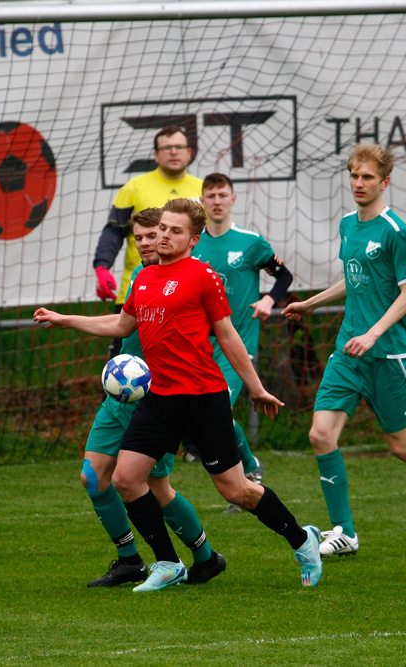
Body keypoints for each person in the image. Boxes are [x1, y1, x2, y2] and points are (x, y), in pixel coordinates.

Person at [37, 198, 323, 590]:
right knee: (125, 478)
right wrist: (66, 319)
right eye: (163, 228)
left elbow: (227, 335)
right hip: (159, 400)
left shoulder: (203, 277)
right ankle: (168, 562)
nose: (164, 236)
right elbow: (122, 325)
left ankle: (301, 539)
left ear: (193, 238)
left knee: (236, 490)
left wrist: (256, 388)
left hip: (203, 398)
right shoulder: (144, 277)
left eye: (174, 230)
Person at [282, 144, 406, 558]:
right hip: (348, 351)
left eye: (367, 177)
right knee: (321, 435)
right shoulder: (348, 226)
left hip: (390, 354)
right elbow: (354, 280)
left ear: (384, 182)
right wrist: (310, 303)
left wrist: (373, 335)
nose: (359, 183)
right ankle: (345, 532)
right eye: (354, 175)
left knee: (402, 446)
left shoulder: (396, 232)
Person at [83, 208, 226, 588]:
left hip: (158, 401)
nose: (148, 242)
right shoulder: (140, 278)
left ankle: (204, 556)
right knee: (93, 478)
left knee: (156, 488)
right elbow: (121, 326)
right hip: (118, 399)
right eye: (141, 238)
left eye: (154, 235)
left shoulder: (185, 280)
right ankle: (130, 560)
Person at [189, 173, 294, 511]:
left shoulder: (251, 243)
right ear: (202, 202)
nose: (217, 201)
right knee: (203, 412)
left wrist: (269, 300)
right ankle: (249, 466)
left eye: (222, 195)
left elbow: (284, 276)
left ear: (233, 199)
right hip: (200, 343)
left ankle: (247, 472)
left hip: (238, 342)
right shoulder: (194, 245)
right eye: (211, 196)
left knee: (216, 408)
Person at [92, 125, 203, 356]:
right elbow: (114, 231)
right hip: (136, 292)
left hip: (185, 295)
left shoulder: (202, 189)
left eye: (179, 147)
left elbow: (211, 239)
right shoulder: (134, 188)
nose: (173, 152)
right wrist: (102, 266)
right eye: (167, 147)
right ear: (155, 154)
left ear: (189, 152)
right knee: (123, 374)